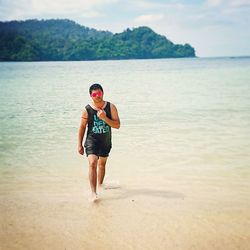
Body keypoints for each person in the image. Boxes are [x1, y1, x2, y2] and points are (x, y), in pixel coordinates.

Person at [78, 83, 120, 201]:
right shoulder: (87, 110)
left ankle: (100, 186)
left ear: (103, 93)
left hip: (105, 141)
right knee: (92, 163)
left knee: (102, 165)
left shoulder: (111, 107)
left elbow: (117, 125)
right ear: (91, 96)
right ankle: (93, 193)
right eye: (94, 94)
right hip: (92, 140)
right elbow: (82, 127)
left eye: (99, 93)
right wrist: (79, 144)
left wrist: (105, 118)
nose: (97, 96)